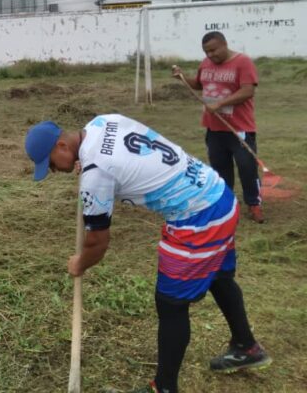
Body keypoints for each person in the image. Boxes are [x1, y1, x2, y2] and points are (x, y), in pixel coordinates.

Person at [25, 114, 270, 393]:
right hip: (216, 193)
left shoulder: (96, 173)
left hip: (198, 218)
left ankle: (164, 388)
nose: (54, 171)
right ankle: (246, 346)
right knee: (218, 277)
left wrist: (79, 263)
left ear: (62, 147)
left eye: (51, 165)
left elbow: (98, 243)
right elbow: (121, 154)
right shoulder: (101, 122)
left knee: (171, 304)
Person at [171, 31, 263, 223]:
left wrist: (220, 104)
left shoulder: (242, 62)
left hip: (239, 128)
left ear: (224, 44)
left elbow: (248, 90)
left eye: (213, 50)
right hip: (214, 129)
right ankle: (227, 204)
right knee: (220, 169)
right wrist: (183, 77)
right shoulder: (205, 64)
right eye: (207, 52)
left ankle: (254, 203)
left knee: (247, 167)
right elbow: (199, 84)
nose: (210, 55)